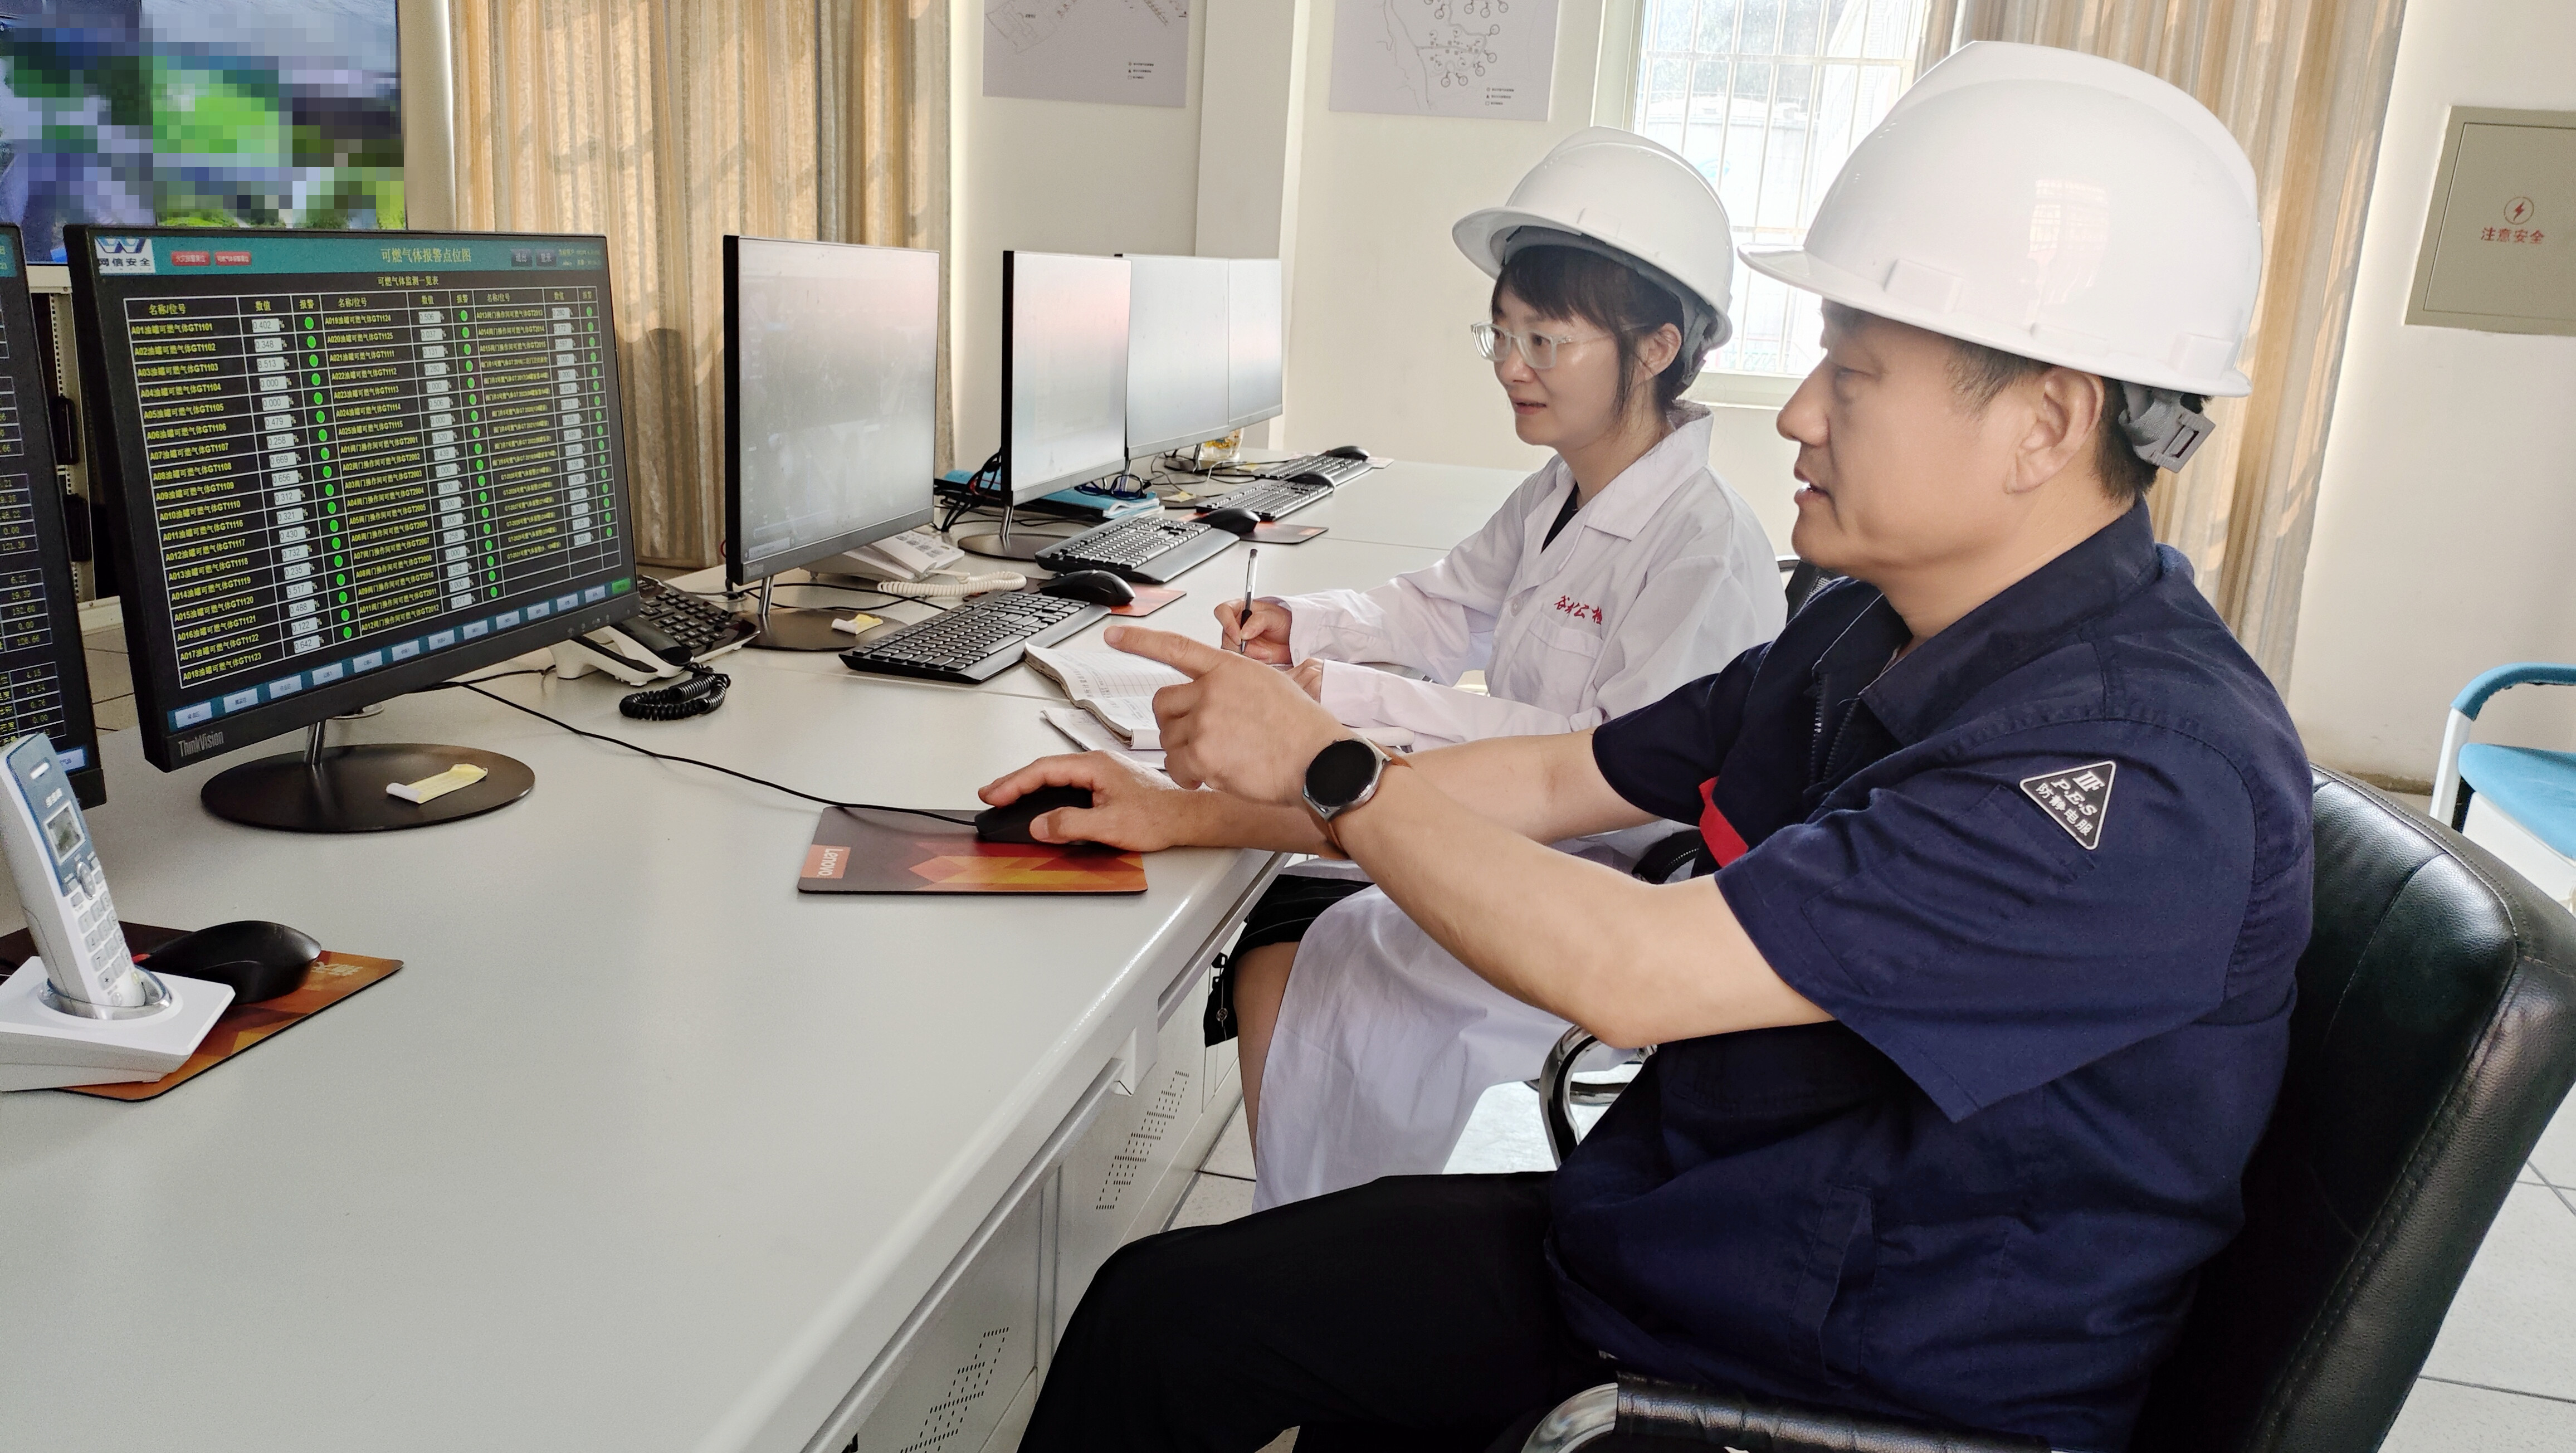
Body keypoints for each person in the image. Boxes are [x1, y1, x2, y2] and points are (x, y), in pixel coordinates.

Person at [988, 42, 2309, 1453]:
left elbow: (1629, 970)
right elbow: (1560, 773)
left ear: (2045, 422)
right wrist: (1183, 811)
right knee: (1174, 1314)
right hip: (1695, 1238)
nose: (1796, 412)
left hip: (1828, 1371)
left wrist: (1329, 758)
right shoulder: (1862, 628)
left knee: (1186, 1329)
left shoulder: (2124, 777)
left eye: (1853, 372)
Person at [1203, 126, 1782, 1200]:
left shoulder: (1701, 546)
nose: (1513, 366)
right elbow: (1444, 605)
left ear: (1658, 347)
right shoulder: (1563, 487)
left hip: (1598, 883)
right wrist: (1302, 627)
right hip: (1524, 826)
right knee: (1282, 919)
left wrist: (1340, 703)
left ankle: (1319, 1230)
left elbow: (1605, 768)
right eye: (1502, 334)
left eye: (1546, 340)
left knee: (1299, 943)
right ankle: (1301, 1218)